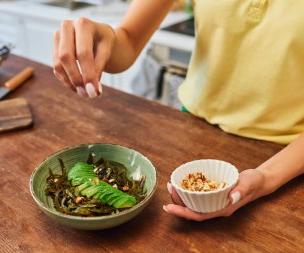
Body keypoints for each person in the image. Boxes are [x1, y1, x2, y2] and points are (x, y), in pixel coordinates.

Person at [52, 0, 304, 221]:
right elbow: (127, 39)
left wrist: (266, 177)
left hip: (288, 159)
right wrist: (103, 37)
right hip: (189, 126)